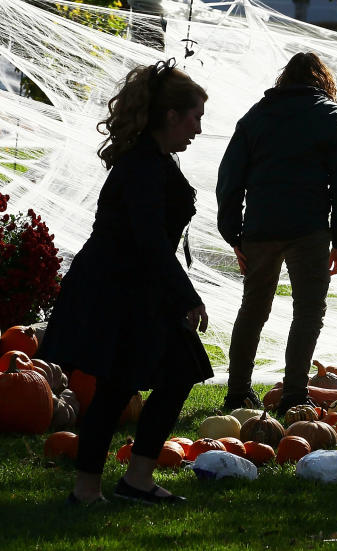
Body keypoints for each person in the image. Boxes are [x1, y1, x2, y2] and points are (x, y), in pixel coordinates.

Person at [37, 59, 213, 505]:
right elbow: (150, 240)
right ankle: (88, 489)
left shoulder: (156, 159)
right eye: (195, 117)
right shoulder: (142, 166)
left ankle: (135, 479)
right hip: (116, 287)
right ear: (171, 115)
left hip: (140, 284)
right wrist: (186, 295)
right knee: (119, 387)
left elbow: (154, 244)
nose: (198, 128)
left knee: (177, 373)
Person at [216, 51, 337, 415]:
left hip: (260, 227)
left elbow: (229, 179)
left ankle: (237, 392)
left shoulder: (255, 117)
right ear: (322, 81)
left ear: (284, 80)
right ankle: (295, 394)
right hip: (308, 228)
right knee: (308, 311)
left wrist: (234, 234)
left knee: (253, 308)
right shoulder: (334, 118)